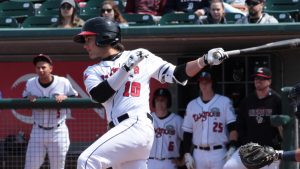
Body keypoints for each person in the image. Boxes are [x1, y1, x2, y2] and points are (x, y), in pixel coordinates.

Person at [73, 16, 228, 169]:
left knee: (86, 161)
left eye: (88, 39)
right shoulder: (92, 71)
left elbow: (176, 74)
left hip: (135, 124)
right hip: (120, 132)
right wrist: (125, 68)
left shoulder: (140, 55)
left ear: (103, 37)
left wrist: (203, 61)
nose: (85, 45)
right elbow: (99, 95)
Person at [23, 54, 78, 169]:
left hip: (58, 131)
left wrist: (66, 97)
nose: (41, 70)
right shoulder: (31, 83)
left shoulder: (63, 82)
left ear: (51, 69)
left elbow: (75, 96)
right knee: (30, 166)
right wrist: (29, 98)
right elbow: (24, 98)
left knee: (57, 167)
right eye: (38, 68)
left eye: (44, 67)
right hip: (38, 130)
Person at [223, 67, 282, 169]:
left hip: (270, 150)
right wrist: (239, 144)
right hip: (249, 149)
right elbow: (240, 125)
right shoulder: (247, 101)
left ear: (269, 81)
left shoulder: (277, 100)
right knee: (228, 166)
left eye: (262, 78)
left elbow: (284, 127)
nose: (258, 81)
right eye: (256, 78)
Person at [182, 71, 238, 169]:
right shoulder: (192, 105)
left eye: (207, 82)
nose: (204, 85)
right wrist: (187, 153)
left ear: (213, 83)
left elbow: (232, 127)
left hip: (219, 152)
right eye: (201, 82)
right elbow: (187, 132)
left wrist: (232, 147)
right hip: (198, 153)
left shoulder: (224, 102)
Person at [148, 88, 183, 169]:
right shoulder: (147, 119)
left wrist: (183, 160)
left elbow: (189, 141)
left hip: (170, 162)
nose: (160, 103)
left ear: (168, 102)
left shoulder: (177, 120)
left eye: (163, 100)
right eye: (157, 100)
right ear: (154, 102)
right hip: (150, 162)